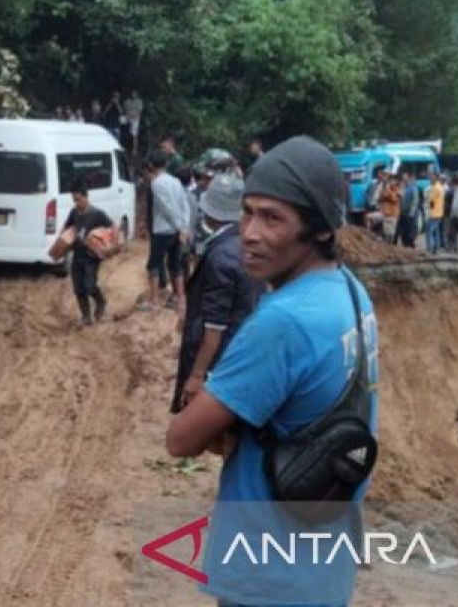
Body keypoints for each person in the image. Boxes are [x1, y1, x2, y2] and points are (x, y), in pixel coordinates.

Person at [166, 135, 379, 606]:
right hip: (321, 566)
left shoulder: (283, 322)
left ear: (320, 229)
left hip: (266, 577)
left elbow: (180, 440)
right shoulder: (348, 292)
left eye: (273, 218)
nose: (250, 232)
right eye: (248, 212)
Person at [171, 173, 263, 415]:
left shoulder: (220, 256)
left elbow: (214, 327)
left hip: (221, 355)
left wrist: (197, 375)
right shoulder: (249, 244)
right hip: (245, 343)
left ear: (210, 212)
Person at [142, 150, 191, 314]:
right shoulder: (176, 181)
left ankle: (154, 301)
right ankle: (180, 301)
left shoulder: (156, 183)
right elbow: (184, 205)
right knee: (175, 265)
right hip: (176, 231)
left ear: (152, 166)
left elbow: (166, 208)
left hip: (162, 230)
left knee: (154, 264)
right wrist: (183, 226)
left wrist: (178, 226)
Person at [61, 181, 113, 327]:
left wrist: (103, 245)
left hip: (91, 258)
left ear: (86, 197)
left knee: (89, 285)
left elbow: (112, 228)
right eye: (74, 200)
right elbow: (67, 226)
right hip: (77, 255)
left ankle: (100, 301)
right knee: (78, 288)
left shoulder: (97, 214)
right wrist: (62, 241)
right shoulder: (74, 212)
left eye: (78, 199)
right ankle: (86, 316)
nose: (76, 203)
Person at [397, 172, 419, 248]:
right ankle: (405, 243)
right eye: (403, 177)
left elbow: (415, 200)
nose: (404, 179)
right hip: (403, 211)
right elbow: (400, 197)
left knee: (410, 228)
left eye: (405, 177)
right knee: (403, 229)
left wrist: (412, 212)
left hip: (410, 211)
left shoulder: (413, 187)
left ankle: (411, 243)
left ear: (408, 178)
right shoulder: (403, 187)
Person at [425, 173, 445, 254]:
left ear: (436, 179)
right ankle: (436, 247)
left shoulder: (436, 188)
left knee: (430, 230)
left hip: (434, 213)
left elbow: (430, 199)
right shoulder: (438, 187)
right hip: (437, 212)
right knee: (436, 231)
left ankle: (432, 248)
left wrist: (427, 197)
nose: (430, 180)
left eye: (432, 178)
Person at [379, 174, 401, 243]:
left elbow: (394, 199)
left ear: (395, 181)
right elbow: (382, 196)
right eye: (389, 180)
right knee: (385, 232)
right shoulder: (386, 189)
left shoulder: (398, 189)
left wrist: (389, 192)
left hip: (393, 214)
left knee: (391, 234)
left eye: (392, 180)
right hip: (386, 213)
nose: (390, 182)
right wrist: (388, 193)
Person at [123, 90, 144, 155]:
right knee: (125, 133)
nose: (133, 95)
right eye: (132, 93)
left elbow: (139, 112)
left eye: (135, 94)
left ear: (137, 94)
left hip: (135, 120)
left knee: (134, 135)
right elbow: (125, 110)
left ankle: (134, 149)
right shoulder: (127, 101)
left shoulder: (139, 102)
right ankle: (125, 147)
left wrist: (135, 117)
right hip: (127, 119)